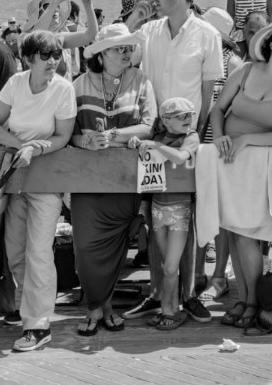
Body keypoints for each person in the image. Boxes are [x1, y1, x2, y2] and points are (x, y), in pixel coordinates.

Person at [205, 16, 272, 329]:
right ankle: (245, 299)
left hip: (262, 170)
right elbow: (217, 109)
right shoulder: (245, 70)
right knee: (236, 235)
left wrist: (246, 139)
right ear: (271, 42)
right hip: (229, 162)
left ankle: (252, 303)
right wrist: (222, 136)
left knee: (249, 239)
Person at [126, 0, 222, 323]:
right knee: (155, 214)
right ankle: (157, 292)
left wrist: (193, 137)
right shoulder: (149, 30)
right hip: (152, 135)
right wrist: (137, 14)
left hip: (186, 136)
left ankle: (190, 291)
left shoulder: (207, 34)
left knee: (188, 217)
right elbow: (119, 44)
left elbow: (209, 93)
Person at [0, 30, 76, 351]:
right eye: (45, 55)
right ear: (28, 59)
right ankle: (28, 312)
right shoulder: (16, 84)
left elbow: (63, 136)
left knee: (39, 251)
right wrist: (21, 146)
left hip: (47, 179)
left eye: (56, 55)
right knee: (16, 250)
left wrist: (35, 150)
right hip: (15, 178)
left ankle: (39, 324)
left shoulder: (64, 89)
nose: (53, 61)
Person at [71, 24, 156, 334]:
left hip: (125, 181)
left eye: (128, 47)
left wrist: (115, 134)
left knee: (118, 247)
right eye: (118, 47)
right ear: (101, 53)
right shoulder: (79, 84)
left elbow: (149, 125)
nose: (125, 51)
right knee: (84, 248)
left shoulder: (142, 80)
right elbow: (71, 134)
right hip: (87, 183)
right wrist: (87, 142)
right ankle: (97, 306)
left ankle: (101, 309)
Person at [130, 97, 201, 330]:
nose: (188, 119)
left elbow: (181, 157)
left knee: (171, 267)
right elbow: (146, 152)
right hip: (158, 209)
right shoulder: (158, 138)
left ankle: (171, 309)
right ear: (167, 121)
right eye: (182, 116)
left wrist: (155, 146)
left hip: (181, 209)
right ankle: (170, 309)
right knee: (165, 266)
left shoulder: (191, 137)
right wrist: (137, 142)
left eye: (190, 114)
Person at [196, 7, 243, 303]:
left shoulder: (233, 62)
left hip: (220, 145)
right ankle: (197, 273)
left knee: (222, 215)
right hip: (197, 143)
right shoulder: (198, 55)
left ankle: (218, 276)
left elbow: (230, 110)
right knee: (199, 211)